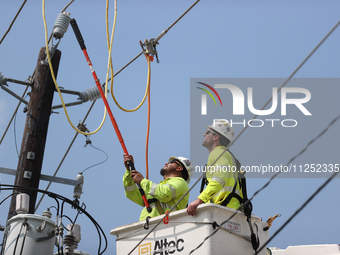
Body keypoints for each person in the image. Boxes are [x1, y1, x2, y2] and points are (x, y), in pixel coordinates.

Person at [187, 119, 243, 216]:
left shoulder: (218, 152)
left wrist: (199, 200)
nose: (204, 134)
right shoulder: (227, 156)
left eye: (208, 132)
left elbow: (219, 178)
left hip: (224, 209)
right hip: (230, 208)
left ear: (216, 137)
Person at [123, 154, 194, 221]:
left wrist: (142, 181)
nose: (166, 163)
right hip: (147, 227)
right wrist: (129, 171)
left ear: (180, 168)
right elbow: (131, 193)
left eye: (172, 162)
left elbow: (164, 193)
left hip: (165, 227)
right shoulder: (155, 189)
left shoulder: (181, 183)